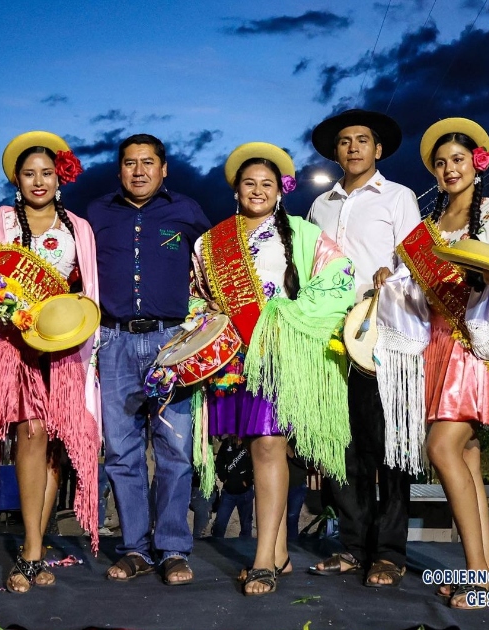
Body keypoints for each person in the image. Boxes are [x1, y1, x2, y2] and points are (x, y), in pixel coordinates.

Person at [376, 118, 489, 608]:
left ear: (478, 161)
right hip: (435, 343)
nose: (450, 169)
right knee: (465, 453)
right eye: (441, 162)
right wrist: (392, 276)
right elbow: (411, 287)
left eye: (458, 159)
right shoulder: (427, 226)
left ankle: (482, 576)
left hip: (473, 344)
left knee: (442, 447)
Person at [188, 142, 354, 595]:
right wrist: (210, 325)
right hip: (233, 359)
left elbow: (339, 279)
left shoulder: (303, 234)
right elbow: (196, 296)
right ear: (236, 190)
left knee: (268, 444)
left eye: (266, 184)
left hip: (278, 355)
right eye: (249, 184)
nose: (257, 191)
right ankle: (279, 555)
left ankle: (263, 556)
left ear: (279, 190)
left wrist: (286, 319)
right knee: (256, 447)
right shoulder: (212, 242)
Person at [0, 131, 102, 593]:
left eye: (46, 173)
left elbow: (88, 290)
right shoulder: (0, 223)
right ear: (17, 179)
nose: (38, 181)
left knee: (55, 446)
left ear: (60, 177)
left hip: (66, 348)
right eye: (29, 174)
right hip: (16, 349)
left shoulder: (78, 227)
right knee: (30, 433)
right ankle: (32, 549)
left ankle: (38, 539)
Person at [82, 134, 211, 586]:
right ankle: (135, 547)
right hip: (114, 342)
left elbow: (211, 269)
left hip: (171, 343)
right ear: (119, 170)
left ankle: (173, 548)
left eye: (148, 163)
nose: (139, 171)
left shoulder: (188, 212)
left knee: (175, 449)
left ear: (164, 168)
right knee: (121, 451)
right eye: (130, 163)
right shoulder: (95, 215)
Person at [305, 109, 420, 588]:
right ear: (336, 152)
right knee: (342, 447)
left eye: (362, 140)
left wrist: (391, 277)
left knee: (389, 447)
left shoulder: (398, 197)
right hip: (331, 339)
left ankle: (389, 553)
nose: (353, 147)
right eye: (345, 141)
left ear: (378, 150)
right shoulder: (319, 206)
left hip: (384, 337)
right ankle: (354, 547)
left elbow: (414, 262)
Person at [212, 436, 254, 539]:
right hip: (228, 492)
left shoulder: (250, 442)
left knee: (246, 525)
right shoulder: (227, 443)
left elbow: (257, 464)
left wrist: (248, 481)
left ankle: (245, 549)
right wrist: (224, 478)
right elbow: (219, 462)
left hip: (245, 493)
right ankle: (216, 547)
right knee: (220, 523)